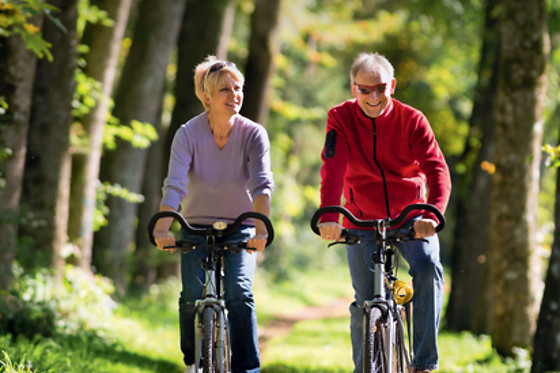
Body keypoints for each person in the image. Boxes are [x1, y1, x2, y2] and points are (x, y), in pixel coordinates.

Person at [317, 52, 451, 373]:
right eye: (365, 90)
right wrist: (328, 216)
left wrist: (432, 214)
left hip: (410, 217)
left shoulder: (412, 120)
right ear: (353, 89)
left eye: (380, 88)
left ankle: (424, 363)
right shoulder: (340, 117)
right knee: (364, 303)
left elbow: (437, 170)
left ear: (392, 85)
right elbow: (333, 168)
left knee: (428, 265)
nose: (373, 97)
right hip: (361, 218)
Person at [153, 55, 273, 373]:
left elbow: (262, 186)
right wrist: (162, 228)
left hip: (240, 228)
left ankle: (247, 369)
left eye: (238, 88)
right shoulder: (187, 134)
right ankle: (193, 360)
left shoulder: (253, 134)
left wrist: (261, 229)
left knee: (240, 293)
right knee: (192, 295)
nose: (234, 94)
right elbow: (175, 186)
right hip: (194, 226)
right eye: (224, 89)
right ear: (207, 97)